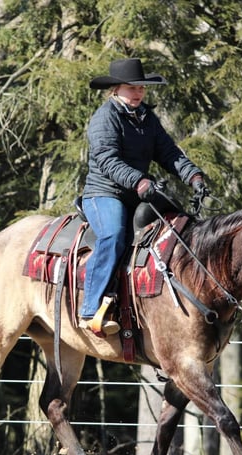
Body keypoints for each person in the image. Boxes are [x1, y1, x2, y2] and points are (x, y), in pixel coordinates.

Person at [78, 57, 208, 336]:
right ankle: (90, 309)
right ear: (115, 90)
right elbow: (106, 159)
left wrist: (194, 176)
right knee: (113, 234)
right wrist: (138, 180)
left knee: (180, 227)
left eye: (141, 88)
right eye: (131, 88)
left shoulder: (147, 118)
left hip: (138, 192)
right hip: (104, 194)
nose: (138, 93)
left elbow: (169, 154)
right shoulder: (105, 117)